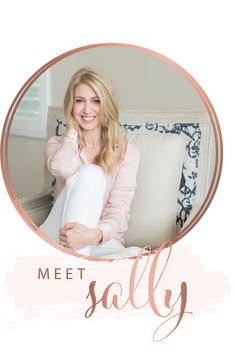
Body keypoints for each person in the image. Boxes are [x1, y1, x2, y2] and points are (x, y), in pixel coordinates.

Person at [40, 68, 142, 259]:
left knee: (139, 256)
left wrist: (93, 235)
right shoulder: (57, 145)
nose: (87, 110)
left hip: (100, 241)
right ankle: (74, 267)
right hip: (61, 235)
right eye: (79, 101)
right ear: (71, 105)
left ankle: (73, 266)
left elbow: (118, 210)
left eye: (96, 101)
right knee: (91, 174)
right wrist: (71, 131)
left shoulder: (127, 152)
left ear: (106, 105)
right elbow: (61, 168)